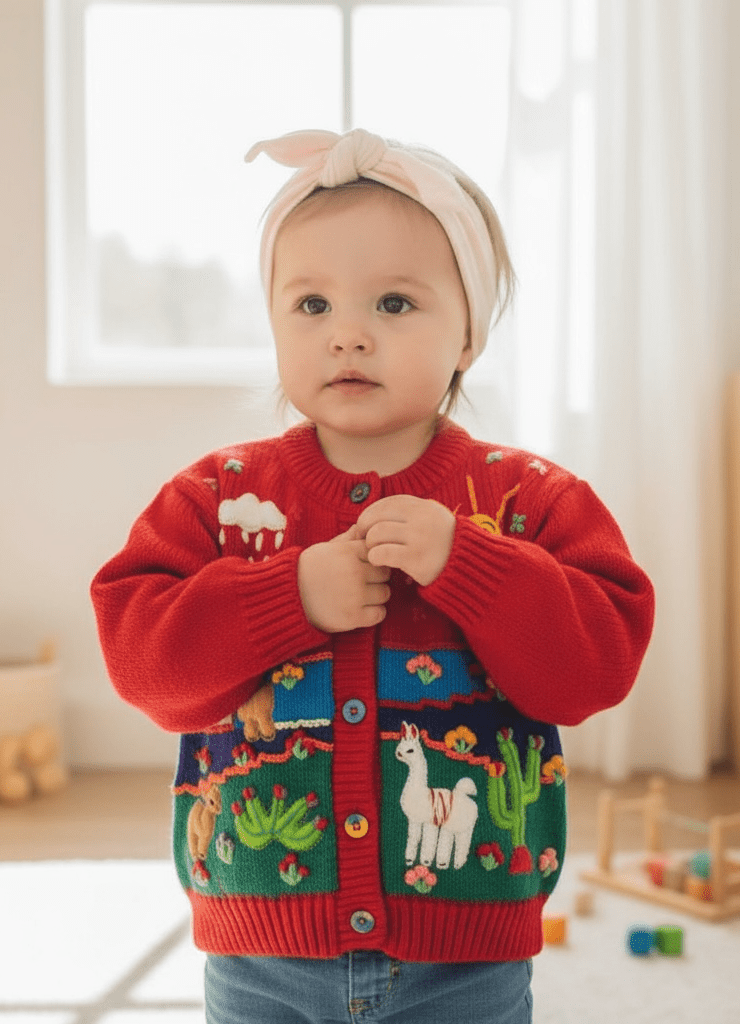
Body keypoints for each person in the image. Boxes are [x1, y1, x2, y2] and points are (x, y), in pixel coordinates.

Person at [91, 128, 654, 1024]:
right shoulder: (216, 496)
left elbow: (594, 668)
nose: (348, 333)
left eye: (394, 303)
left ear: (468, 332)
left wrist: (470, 565)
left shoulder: (529, 500)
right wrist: (289, 597)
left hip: (466, 962)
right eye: (310, 306)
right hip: (259, 952)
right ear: (272, 322)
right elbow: (143, 665)